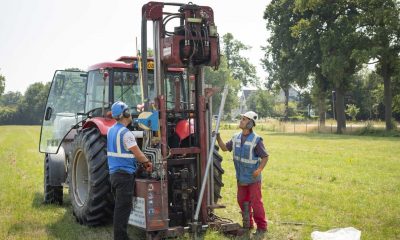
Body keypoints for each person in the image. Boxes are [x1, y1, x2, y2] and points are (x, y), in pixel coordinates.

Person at [215, 111, 269, 236]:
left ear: (250, 124)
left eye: (244, 119)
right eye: (242, 119)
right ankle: (248, 224)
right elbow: (224, 148)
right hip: (241, 179)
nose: (241, 121)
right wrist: (218, 137)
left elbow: (265, 157)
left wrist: (259, 169)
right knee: (241, 200)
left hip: (253, 179)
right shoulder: (236, 137)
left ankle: (262, 227)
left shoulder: (256, 140)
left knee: (256, 203)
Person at [107, 101, 153, 240]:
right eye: (128, 111)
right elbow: (138, 153)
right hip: (124, 176)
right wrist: (147, 163)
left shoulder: (111, 130)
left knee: (120, 208)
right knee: (122, 210)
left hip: (114, 175)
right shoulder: (126, 133)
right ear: (126, 114)